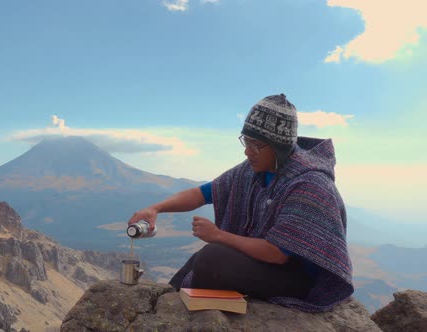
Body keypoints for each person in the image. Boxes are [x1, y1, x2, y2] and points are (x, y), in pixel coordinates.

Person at [127, 93, 353, 312]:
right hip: (271, 266)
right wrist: (156, 208)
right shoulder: (254, 170)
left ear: (279, 146)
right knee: (204, 258)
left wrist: (218, 235)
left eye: (256, 145)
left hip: (301, 281)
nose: (247, 151)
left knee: (213, 257)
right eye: (246, 141)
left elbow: (277, 253)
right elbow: (202, 193)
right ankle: (168, 302)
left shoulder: (308, 185)